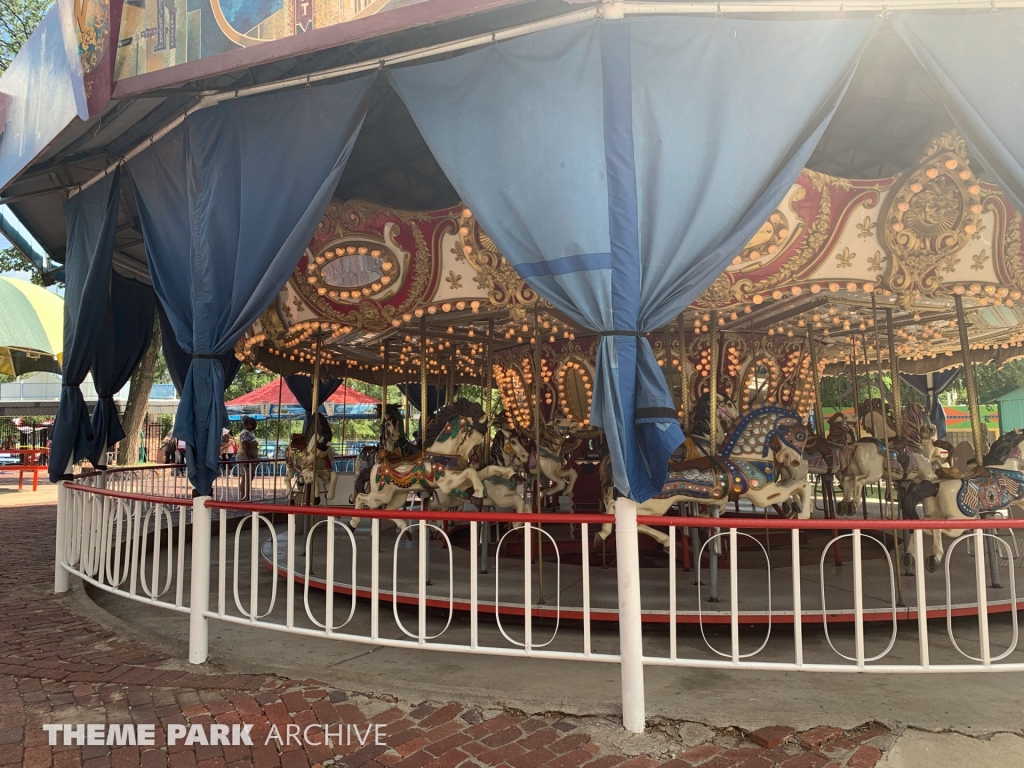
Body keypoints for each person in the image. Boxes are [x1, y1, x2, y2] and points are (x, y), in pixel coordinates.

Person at [238, 417, 259, 501]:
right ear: (249, 425)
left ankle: (245, 496)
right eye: (253, 424)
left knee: (248, 478)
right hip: (245, 456)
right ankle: (245, 497)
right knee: (246, 477)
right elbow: (245, 445)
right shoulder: (245, 433)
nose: (255, 425)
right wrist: (247, 459)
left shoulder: (249, 433)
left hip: (250, 457)